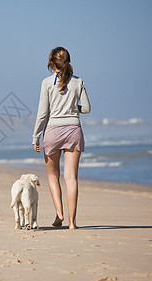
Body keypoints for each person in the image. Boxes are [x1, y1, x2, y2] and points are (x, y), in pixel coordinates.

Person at [32, 46, 91, 230]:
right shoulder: (78, 81)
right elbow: (87, 108)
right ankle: (72, 223)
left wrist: (35, 136)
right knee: (71, 178)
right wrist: (74, 109)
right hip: (74, 130)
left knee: (52, 175)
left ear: (51, 63)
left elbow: (43, 113)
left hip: (52, 132)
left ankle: (59, 214)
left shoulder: (46, 83)